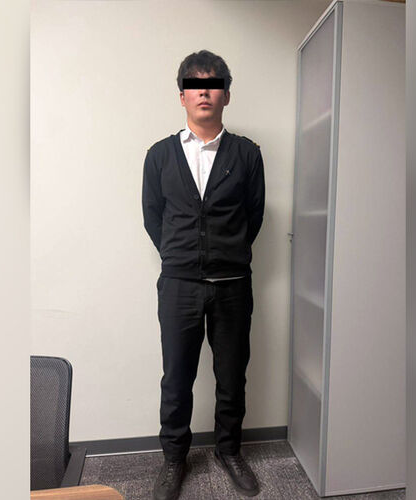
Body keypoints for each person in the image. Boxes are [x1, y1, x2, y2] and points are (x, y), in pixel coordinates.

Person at [141, 49, 265, 500]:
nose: (204, 92)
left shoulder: (247, 154)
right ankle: (174, 458)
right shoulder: (159, 155)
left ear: (226, 95)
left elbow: (254, 216)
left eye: (213, 84)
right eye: (195, 85)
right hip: (179, 286)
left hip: (232, 286)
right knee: (176, 378)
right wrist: (183, 258)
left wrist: (225, 256)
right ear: (182, 96)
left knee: (232, 376)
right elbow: (153, 216)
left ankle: (229, 451)